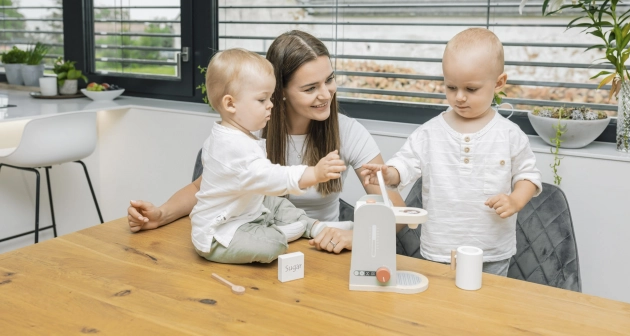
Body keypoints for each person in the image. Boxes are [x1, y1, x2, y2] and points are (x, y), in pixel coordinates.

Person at [128, 30, 405, 254]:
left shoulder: (348, 132)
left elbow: (395, 204)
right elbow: (201, 189)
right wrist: (161, 214)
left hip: (323, 251)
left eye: (329, 80)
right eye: (310, 88)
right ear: (278, 92)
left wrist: (357, 236)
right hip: (256, 247)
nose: (326, 94)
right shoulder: (248, 128)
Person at [361, 28, 542, 276]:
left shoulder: (509, 134)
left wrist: (515, 200)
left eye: (471, 89)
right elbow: (406, 164)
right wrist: (388, 174)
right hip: (439, 250)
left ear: (499, 83)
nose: (459, 97)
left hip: (491, 251)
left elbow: (528, 176)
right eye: (451, 87)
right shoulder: (430, 132)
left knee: (488, 310)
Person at [191, 48, 348, 264]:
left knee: (276, 202)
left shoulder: (234, 134)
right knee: (272, 246)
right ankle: (283, 232)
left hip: (247, 209)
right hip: (220, 233)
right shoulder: (232, 148)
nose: (271, 104)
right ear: (230, 104)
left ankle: (311, 226)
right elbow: (272, 177)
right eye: (262, 99)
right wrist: (314, 173)